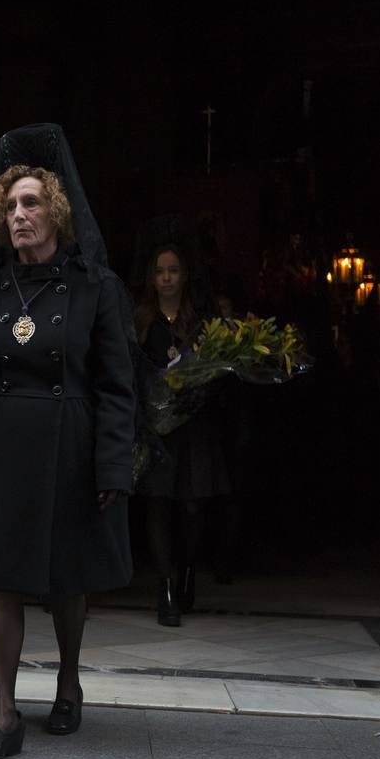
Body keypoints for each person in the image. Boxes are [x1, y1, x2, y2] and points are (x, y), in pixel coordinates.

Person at [0, 125, 136, 759]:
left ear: (57, 211)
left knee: (66, 577)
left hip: (67, 444)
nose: (20, 216)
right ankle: (3, 712)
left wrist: (112, 461)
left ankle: (69, 682)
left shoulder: (94, 288)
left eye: (31, 204)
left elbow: (115, 384)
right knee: (1, 582)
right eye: (11, 207)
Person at [134, 244, 229, 626]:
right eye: (161, 271)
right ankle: (165, 587)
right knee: (158, 502)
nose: (167, 278)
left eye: (174, 270)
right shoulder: (142, 319)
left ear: (184, 275)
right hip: (157, 428)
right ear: (152, 278)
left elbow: (216, 368)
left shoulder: (199, 319)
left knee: (191, 506)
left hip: (192, 426)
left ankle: (188, 568)